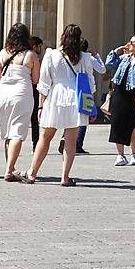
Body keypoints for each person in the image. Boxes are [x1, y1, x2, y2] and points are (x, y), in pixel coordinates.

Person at [29, 24, 103, 186]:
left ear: (63, 36)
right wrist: (90, 105)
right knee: (70, 140)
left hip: (55, 95)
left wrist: (41, 106)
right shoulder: (84, 57)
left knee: (45, 137)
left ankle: (32, 173)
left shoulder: (51, 54)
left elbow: (44, 82)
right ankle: (65, 177)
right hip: (76, 98)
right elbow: (90, 83)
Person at [0, 22, 39, 181]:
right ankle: (9, 170)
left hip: (4, 93)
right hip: (21, 93)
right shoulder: (31, 55)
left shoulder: (2, 54)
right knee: (17, 132)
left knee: (8, 132)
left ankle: (10, 167)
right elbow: (35, 80)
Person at [105, 34, 135, 165]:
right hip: (119, 93)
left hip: (133, 94)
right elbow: (109, 63)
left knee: (132, 125)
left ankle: (134, 154)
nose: (129, 45)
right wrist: (117, 50)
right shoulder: (124, 58)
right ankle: (120, 155)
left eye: (132, 43)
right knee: (116, 123)